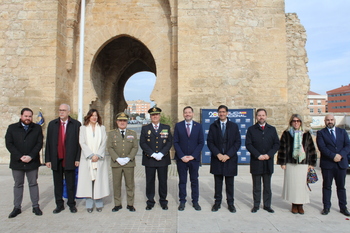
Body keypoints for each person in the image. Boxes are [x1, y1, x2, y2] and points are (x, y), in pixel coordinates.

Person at [5, 108, 44, 218]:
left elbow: (39, 143)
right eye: (26, 116)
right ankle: (17, 207)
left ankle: (35, 206)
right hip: (17, 162)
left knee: (33, 184)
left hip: (32, 161)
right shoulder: (12, 128)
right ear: (21, 116)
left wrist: (30, 156)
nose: (28, 118)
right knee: (18, 184)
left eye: (30, 116)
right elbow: (9, 144)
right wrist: (20, 156)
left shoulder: (36, 128)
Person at [277, 114, 317, 214]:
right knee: (293, 185)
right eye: (294, 121)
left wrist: (312, 163)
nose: (296, 123)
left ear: (301, 122)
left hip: (303, 163)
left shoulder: (306, 134)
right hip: (290, 163)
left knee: (301, 186)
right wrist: (282, 162)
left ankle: (301, 205)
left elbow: (311, 149)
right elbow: (282, 148)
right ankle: (294, 205)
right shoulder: (286, 133)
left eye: (298, 121)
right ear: (291, 122)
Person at [45, 104, 81, 214]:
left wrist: (77, 158)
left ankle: (71, 204)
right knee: (58, 184)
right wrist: (47, 159)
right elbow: (48, 143)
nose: (61, 112)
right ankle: (59, 205)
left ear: (68, 112)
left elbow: (79, 144)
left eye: (64, 110)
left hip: (69, 159)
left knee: (70, 183)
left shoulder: (76, 125)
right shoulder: (52, 124)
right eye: (60, 110)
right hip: (56, 159)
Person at [207, 105, 241, 213]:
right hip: (217, 159)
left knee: (230, 183)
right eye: (220, 112)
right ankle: (217, 203)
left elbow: (237, 142)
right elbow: (210, 142)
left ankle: (230, 203)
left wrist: (228, 155)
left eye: (223, 112)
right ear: (218, 113)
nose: (221, 114)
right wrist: (218, 154)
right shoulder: (213, 126)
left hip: (229, 159)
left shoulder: (234, 126)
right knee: (218, 183)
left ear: (227, 113)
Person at [245, 109, 280, 214]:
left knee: (267, 186)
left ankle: (267, 205)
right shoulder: (251, 129)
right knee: (256, 186)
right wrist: (258, 155)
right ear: (256, 117)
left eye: (263, 115)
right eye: (259, 115)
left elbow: (276, 144)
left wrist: (269, 155)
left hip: (268, 162)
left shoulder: (272, 129)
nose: (261, 117)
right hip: (256, 161)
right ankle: (256, 205)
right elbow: (248, 144)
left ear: (266, 116)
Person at [76, 109, 109, 213]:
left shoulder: (102, 128)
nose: (94, 117)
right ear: (88, 117)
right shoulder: (83, 128)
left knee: (98, 181)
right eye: (92, 115)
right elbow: (82, 142)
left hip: (99, 159)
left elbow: (104, 142)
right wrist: (91, 155)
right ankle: (89, 204)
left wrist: (98, 155)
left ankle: (99, 202)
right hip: (87, 159)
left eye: (96, 115)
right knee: (88, 181)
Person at [316, 114, 350, 216]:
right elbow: (322, 147)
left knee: (341, 187)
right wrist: (333, 156)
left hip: (341, 164)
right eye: (328, 120)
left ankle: (343, 207)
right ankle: (326, 207)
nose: (330, 121)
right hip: (328, 165)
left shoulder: (342, 132)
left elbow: (348, 145)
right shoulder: (321, 133)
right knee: (327, 186)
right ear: (325, 121)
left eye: (331, 120)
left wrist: (340, 155)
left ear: (334, 120)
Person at [140, 107, 172, 210]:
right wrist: (152, 154)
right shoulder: (145, 128)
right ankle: (150, 201)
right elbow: (142, 143)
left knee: (163, 181)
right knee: (150, 181)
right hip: (150, 159)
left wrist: (162, 153)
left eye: (157, 114)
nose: (155, 116)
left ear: (159, 116)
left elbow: (169, 142)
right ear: (150, 116)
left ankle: (163, 201)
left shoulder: (166, 127)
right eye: (153, 115)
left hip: (163, 159)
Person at [174, 106, 204, 211]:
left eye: (189, 112)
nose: (187, 114)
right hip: (181, 159)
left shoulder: (198, 126)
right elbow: (175, 142)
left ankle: (195, 201)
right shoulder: (178, 126)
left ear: (193, 114)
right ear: (183, 114)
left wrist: (193, 156)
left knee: (194, 180)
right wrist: (182, 156)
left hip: (194, 159)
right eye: (185, 112)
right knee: (182, 181)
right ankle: (182, 201)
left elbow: (201, 143)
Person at [107, 112, 138, 212]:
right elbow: (110, 147)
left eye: (124, 121)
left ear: (127, 122)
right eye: (120, 120)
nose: (122, 122)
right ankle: (117, 204)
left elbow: (135, 147)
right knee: (116, 184)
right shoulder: (112, 134)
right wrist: (117, 158)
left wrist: (129, 158)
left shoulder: (132, 133)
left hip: (129, 163)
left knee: (130, 184)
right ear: (117, 122)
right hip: (116, 163)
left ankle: (130, 204)